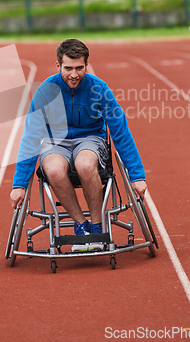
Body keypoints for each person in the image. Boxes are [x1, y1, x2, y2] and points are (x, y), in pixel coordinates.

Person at [10, 39, 146, 252]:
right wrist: (19, 184)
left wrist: (137, 176)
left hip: (90, 139)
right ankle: (80, 226)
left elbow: (121, 132)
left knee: (84, 165)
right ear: (58, 66)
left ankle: (97, 226)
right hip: (55, 142)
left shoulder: (99, 89)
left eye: (79, 68)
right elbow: (30, 137)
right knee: (53, 170)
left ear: (86, 65)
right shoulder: (45, 91)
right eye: (68, 68)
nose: (74, 74)